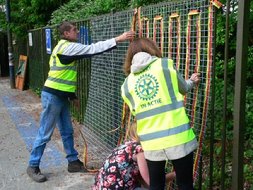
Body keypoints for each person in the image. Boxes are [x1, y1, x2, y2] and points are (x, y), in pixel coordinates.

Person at [26, 21, 135, 183]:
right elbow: (92, 49)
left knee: (67, 131)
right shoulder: (67, 47)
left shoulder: (62, 47)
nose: (77, 32)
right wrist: (118, 39)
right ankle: (33, 165)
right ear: (66, 34)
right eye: (74, 30)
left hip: (59, 96)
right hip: (53, 96)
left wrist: (72, 96)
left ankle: (73, 162)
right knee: (45, 132)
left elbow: (62, 76)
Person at [121, 38, 200, 190]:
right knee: (185, 184)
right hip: (178, 137)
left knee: (156, 185)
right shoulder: (165, 65)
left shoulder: (126, 85)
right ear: (152, 49)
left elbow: (138, 112)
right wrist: (191, 80)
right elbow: (183, 88)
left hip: (151, 142)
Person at [92, 120, 176, 190]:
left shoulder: (127, 145)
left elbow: (145, 182)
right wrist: (176, 174)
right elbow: (151, 182)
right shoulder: (140, 151)